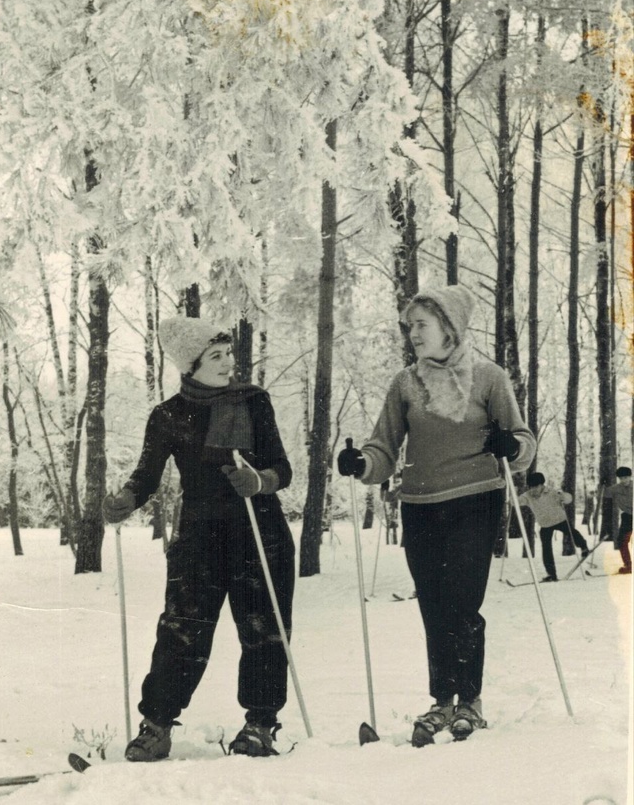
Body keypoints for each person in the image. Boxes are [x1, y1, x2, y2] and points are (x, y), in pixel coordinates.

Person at [337, 284, 535, 747]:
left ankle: (470, 701)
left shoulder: (489, 377)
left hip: (475, 498)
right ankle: (441, 701)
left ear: (449, 327)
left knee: (462, 602)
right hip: (421, 505)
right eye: (409, 327)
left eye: (420, 325)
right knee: (433, 604)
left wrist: (512, 446)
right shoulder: (406, 383)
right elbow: (383, 446)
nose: (412, 335)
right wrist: (362, 464)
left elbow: (522, 442)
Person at [103, 316, 295, 761]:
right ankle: (156, 726)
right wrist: (126, 499)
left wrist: (258, 480)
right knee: (181, 631)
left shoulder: (253, 402)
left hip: (258, 531)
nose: (229, 362)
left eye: (229, 352)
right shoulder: (168, 415)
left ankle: (260, 725)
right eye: (216, 356)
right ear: (190, 365)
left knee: (263, 631)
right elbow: (146, 475)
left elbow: (282, 468)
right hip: (199, 536)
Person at [518, 472, 589, 582]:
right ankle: (551, 574)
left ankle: (583, 546)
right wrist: (512, 498)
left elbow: (568, 499)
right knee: (546, 549)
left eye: (536, 486)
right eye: (531, 487)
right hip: (545, 524)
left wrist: (563, 496)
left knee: (572, 533)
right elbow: (517, 502)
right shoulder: (527, 496)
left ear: (542, 485)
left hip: (559, 520)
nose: (534, 489)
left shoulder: (552, 492)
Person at [605, 466, 632, 574]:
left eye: (626, 477)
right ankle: (628, 565)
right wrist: (602, 484)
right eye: (621, 478)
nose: (624, 480)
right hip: (627, 516)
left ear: (630, 476)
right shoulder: (616, 488)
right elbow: (604, 493)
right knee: (622, 540)